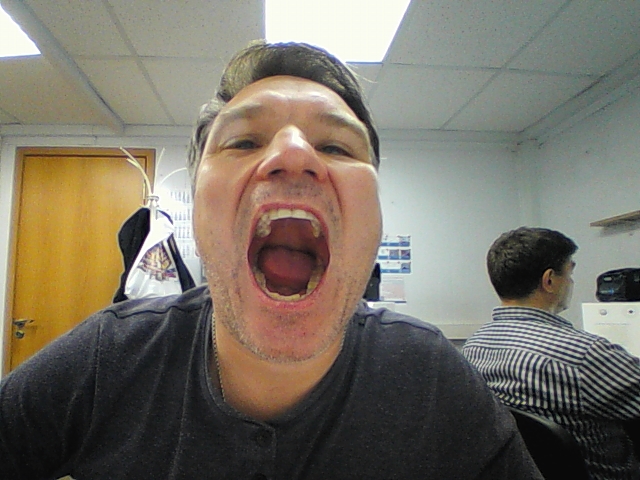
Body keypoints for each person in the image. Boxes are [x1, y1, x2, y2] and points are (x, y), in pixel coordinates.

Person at [0, 41, 542, 479]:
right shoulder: (107, 358)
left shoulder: (432, 376)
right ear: (199, 213)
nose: (293, 153)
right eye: (242, 142)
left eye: (336, 147)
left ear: (374, 220)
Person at [463, 226, 640, 480]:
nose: (571, 283)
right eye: (569, 273)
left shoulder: (473, 347)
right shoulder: (584, 354)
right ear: (549, 280)